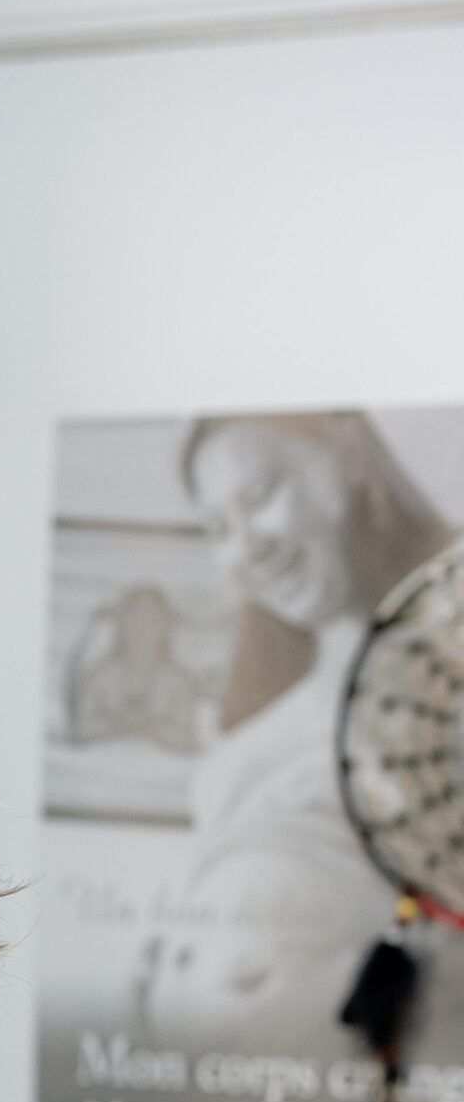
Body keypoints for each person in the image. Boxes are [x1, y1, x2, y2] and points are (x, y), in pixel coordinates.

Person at [140, 413, 454, 1050]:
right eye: (218, 528)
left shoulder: (444, 692)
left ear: (346, 465)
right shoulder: (237, 758)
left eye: (260, 496)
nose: (247, 545)